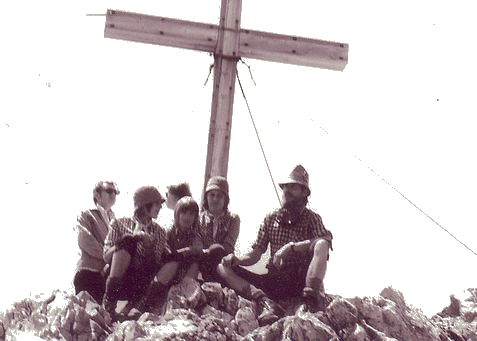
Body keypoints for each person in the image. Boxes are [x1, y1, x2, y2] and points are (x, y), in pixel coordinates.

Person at [218, 165, 333, 326]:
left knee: (321, 244)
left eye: (293, 187)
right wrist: (236, 259)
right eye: (285, 187)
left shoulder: (312, 218)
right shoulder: (271, 218)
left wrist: (290, 247)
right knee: (222, 268)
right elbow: (256, 254)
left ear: (304, 192)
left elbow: (324, 240)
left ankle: (309, 304)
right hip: (276, 280)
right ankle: (265, 303)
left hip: (301, 280)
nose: (287, 191)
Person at [102, 186, 169, 319]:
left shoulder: (160, 231)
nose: (160, 208)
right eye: (157, 204)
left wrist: (148, 246)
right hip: (119, 279)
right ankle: (109, 303)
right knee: (127, 242)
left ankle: (135, 306)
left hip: (141, 281)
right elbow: (106, 257)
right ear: (145, 206)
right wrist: (125, 241)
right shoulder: (119, 223)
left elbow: (154, 265)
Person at [74, 181, 120, 303]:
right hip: (89, 273)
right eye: (109, 191)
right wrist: (107, 256)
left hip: (106, 276)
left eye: (116, 192)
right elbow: (85, 240)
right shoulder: (86, 214)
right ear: (97, 195)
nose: (113, 194)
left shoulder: (114, 218)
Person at [198, 176, 240, 283]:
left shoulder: (233, 219)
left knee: (217, 249)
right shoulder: (198, 219)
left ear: (225, 199)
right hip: (202, 265)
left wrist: (212, 251)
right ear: (206, 197)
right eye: (212, 195)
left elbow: (228, 247)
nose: (215, 199)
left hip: (224, 265)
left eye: (220, 196)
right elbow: (197, 245)